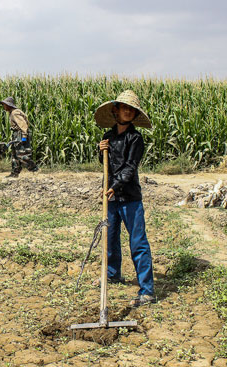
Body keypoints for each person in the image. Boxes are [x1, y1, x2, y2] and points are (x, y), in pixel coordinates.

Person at [94, 89, 155, 307]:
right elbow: (107, 166)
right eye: (124, 107)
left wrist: (114, 186)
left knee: (138, 243)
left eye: (132, 109)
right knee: (110, 239)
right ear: (115, 111)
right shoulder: (107, 137)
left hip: (129, 198)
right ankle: (112, 274)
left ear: (135, 114)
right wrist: (99, 150)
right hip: (111, 197)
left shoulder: (135, 138)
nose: (128, 111)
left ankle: (147, 290)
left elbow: (130, 168)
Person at [0, 97, 38, 178]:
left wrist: (24, 136)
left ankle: (34, 169)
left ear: (9, 105)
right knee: (15, 154)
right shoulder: (12, 112)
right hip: (17, 134)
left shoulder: (15, 113)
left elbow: (23, 125)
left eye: (4, 105)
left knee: (21, 155)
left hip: (20, 134)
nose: (4, 107)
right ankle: (14, 173)